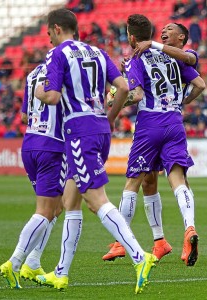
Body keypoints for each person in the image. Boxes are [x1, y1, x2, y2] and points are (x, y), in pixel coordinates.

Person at [33, 8, 158, 294]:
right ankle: (61, 273)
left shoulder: (58, 54)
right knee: (70, 200)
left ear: (55, 29)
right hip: (99, 128)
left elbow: (51, 96)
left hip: (79, 130)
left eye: (48, 32)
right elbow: (124, 88)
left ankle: (139, 256)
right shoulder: (97, 52)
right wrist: (110, 116)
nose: (48, 37)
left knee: (95, 200)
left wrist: (39, 91)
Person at [102, 15, 205, 267]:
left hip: (149, 124)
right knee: (171, 180)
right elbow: (200, 84)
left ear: (132, 37)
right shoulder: (176, 56)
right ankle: (178, 233)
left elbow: (136, 94)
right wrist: (180, 102)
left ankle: (120, 241)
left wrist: (115, 100)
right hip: (174, 122)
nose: (166, 30)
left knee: (133, 181)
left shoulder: (136, 58)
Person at [0, 61, 66, 289]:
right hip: (52, 145)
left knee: (56, 207)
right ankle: (15, 262)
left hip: (29, 143)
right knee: (46, 210)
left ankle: (33, 261)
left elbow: (25, 116)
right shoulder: (65, 67)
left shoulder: (34, 72)